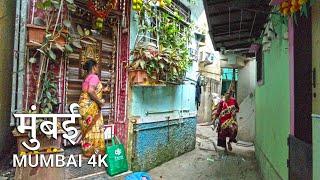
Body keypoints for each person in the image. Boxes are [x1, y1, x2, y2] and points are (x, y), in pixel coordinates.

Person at [78, 59, 109, 157]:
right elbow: (91, 91)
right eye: (97, 66)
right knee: (95, 127)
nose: (98, 69)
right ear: (94, 67)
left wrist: (103, 89)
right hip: (91, 106)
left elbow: (89, 90)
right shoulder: (94, 77)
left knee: (88, 128)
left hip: (83, 106)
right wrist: (100, 102)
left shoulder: (87, 78)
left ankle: (87, 151)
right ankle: (95, 152)